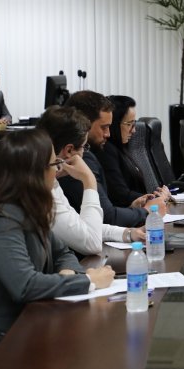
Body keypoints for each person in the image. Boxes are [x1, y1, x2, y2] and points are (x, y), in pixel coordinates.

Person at [0, 129, 114, 363]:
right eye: (54, 164)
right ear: (33, 172)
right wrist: (88, 280)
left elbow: (62, 251)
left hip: (33, 320)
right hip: (3, 339)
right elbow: (25, 285)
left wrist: (68, 272)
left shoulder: (29, 207)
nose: (57, 170)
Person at [37, 106, 145, 256]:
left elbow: (82, 227)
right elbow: (92, 243)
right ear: (69, 151)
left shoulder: (52, 183)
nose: (84, 153)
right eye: (84, 147)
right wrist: (89, 180)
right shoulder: (42, 189)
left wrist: (128, 233)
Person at [59, 91, 164, 227]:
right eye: (104, 127)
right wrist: (146, 211)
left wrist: (132, 208)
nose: (108, 134)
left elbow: (102, 215)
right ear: (84, 124)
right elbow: (107, 217)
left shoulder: (89, 154)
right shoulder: (78, 158)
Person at [95, 95, 169, 208]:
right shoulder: (106, 151)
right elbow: (121, 195)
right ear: (114, 124)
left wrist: (157, 195)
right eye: (129, 124)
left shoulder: (121, 148)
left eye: (134, 123)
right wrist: (155, 198)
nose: (134, 130)